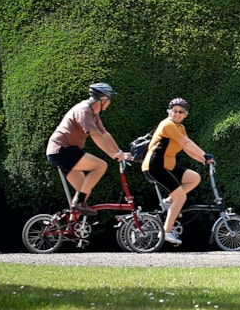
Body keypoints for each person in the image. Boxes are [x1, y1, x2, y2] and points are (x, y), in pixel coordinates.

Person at [141, 97, 214, 246]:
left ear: (185, 114)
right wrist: (204, 154)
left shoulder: (180, 128)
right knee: (180, 197)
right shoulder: (167, 124)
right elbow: (186, 142)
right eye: (174, 111)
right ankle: (166, 232)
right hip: (155, 166)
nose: (177, 114)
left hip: (168, 166)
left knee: (194, 178)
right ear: (169, 112)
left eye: (181, 112)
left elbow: (187, 149)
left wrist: (204, 160)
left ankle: (168, 202)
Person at [45, 83, 128, 214]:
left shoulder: (94, 113)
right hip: (62, 150)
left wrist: (119, 153)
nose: (110, 103)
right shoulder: (84, 110)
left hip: (62, 152)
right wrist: (112, 154)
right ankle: (79, 203)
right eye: (110, 100)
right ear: (103, 100)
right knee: (100, 166)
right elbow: (95, 135)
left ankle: (71, 228)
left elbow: (104, 134)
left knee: (84, 189)